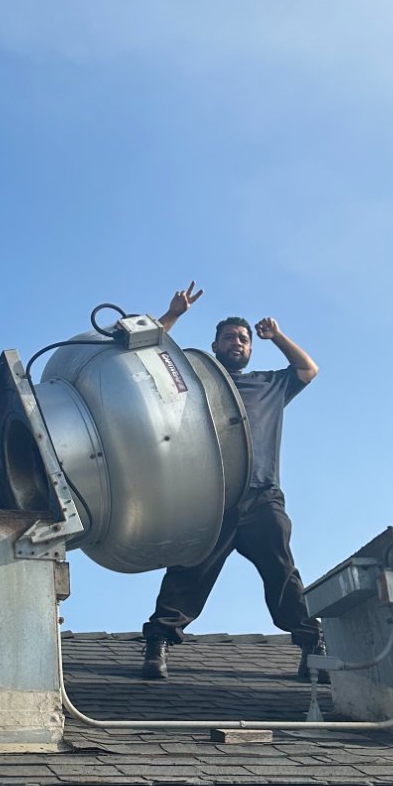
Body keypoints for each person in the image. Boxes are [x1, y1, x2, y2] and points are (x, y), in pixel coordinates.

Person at [141, 283, 323, 681]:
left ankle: (313, 649)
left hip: (262, 497)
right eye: (228, 338)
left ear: (251, 347)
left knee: (283, 572)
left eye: (242, 338)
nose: (236, 343)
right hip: (211, 498)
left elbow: (308, 370)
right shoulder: (193, 381)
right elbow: (148, 353)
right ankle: (158, 643)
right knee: (188, 570)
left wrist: (277, 336)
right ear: (215, 345)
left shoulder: (269, 384)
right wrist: (173, 315)